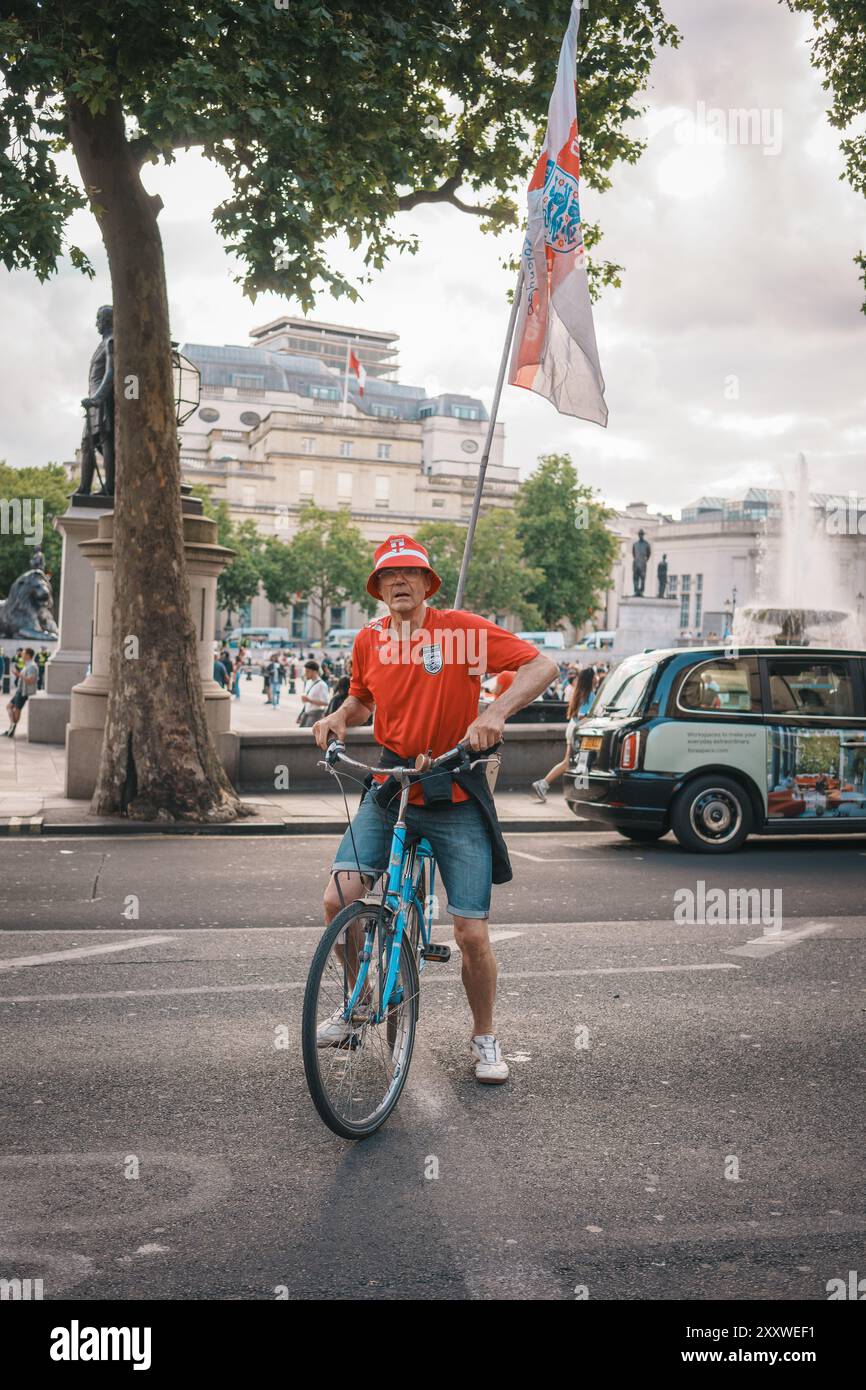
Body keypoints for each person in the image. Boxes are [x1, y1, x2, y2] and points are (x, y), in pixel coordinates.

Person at [311, 532, 556, 1084]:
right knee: (337, 898)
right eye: (388, 576)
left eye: (409, 574)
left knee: (471, 932)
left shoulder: (464, 631)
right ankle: (357, 1000)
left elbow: (543, 667)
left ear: (427, 583)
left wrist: (496, 713)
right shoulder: (370, 638)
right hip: (392, 782)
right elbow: (361, 695)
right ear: (377, 588)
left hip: (456, 787)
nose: (399, 582)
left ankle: (485, 1037)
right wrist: (341, 718)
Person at [531, 665, 596, 801]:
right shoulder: (590, 695)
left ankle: (544, 784)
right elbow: (583, 715)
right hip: (580, 730)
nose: (596, 678)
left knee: (569, 762)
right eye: (594, 676)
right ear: (591, 680)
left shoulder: (579, 692)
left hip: (572, 727)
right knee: (580, 762)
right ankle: (578, 791)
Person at [4, 647, 39, 737]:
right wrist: (19, 675)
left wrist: (19, 675)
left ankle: (12, 728)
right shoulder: (28, 664)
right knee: (9, 707)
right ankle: (12, 726)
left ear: (28, 655)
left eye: (23, 653)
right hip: (20, 690)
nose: (21, 655)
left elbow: (31, 680)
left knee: (16, 709)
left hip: (24, 692)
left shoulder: (31, 666)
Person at [298, 660, 329, 726]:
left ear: (314, 672)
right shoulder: (308, 682)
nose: (305, 673)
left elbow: (326, 702)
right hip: (307, 713)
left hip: (316, 715)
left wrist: (309, 700)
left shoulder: (322, 685)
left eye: (307, 671)